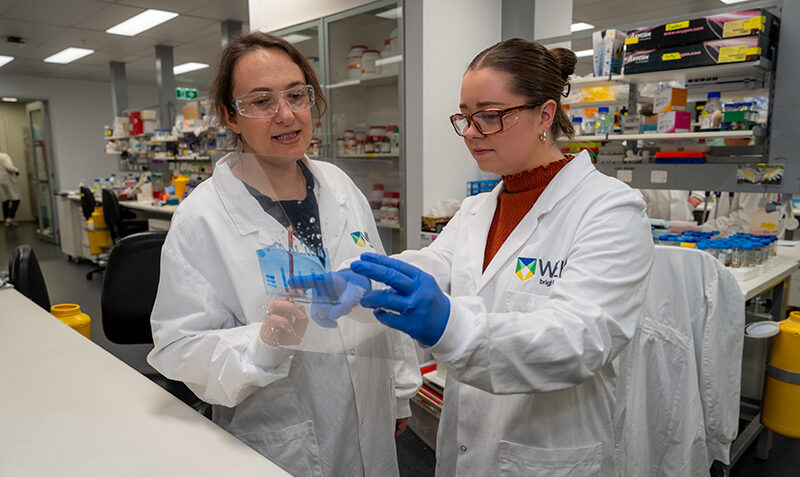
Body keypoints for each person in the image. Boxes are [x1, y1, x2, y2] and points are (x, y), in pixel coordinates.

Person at [295, 39, 654, 476]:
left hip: (548, 452)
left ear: (544, 114)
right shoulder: (479, 208)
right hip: (468, 447)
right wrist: (363, 279)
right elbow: (435, 265)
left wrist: (451, 324)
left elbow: (581, 338)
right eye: (466, 116)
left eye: (490, 116)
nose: (469, 132)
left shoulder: (610, 208)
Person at [146, 32, 420, 477]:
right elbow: (180, 345)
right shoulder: (202, 217)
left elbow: (383, 283)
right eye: (261, 101)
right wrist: (263, 343)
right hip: (281, 437)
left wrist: (399, 389)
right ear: (230, 117)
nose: (287, 115)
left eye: (296, 95)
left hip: (370, 414)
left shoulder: (340, 186)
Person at [0, 149, 22, 228]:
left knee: (5, 200)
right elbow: (9, 167)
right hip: (7, 180)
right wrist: (16, 170)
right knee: (16, 198)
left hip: (0, 182)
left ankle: (7, 220)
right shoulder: (4, 156)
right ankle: (10, 217)